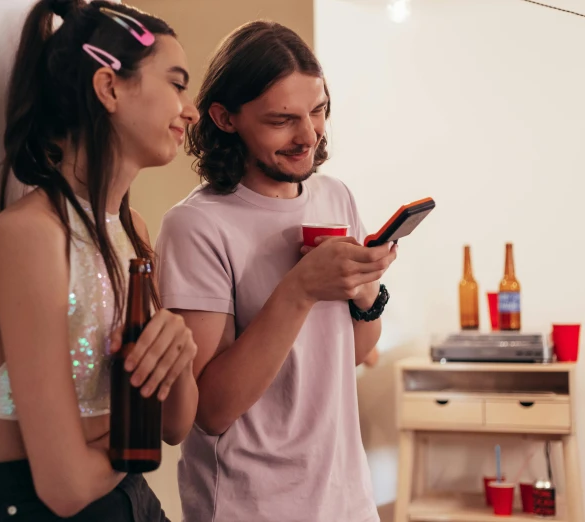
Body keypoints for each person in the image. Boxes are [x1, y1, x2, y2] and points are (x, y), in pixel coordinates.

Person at [0, 1, 200, 520]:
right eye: (177, 84)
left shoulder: (133, 230)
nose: (191, 110)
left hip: (131, 502)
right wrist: (129, 430)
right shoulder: (30, 236)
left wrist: (178, 357)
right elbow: (65, 485)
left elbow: (176, 425)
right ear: (110, 88)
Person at [155, 21, 398, 522]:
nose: (308, 135)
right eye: (282, 119)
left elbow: (351, 352)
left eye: (318, 110)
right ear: (225, 118)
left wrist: (365, 291)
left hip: (346, 500)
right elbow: (211, 409)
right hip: (251, 507)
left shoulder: (335, 197)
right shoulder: (197, 226)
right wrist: (301, 289)